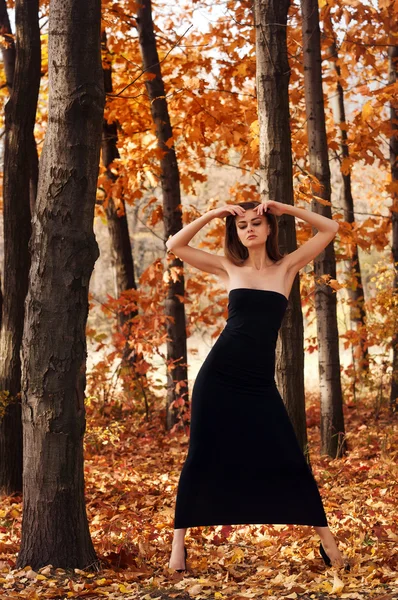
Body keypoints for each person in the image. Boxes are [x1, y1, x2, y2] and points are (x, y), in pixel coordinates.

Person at [165, 199, 350, 572]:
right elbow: (175, 245)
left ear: (268, 229)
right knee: (201, 455)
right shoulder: (228, 267)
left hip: (259, 382)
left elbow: (330, 229)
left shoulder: (287, 267)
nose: (248, 229)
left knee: (288, 455)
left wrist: (285, 208)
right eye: (242, 225)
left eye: (256, 223)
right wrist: (215, 214)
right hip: (217, 377)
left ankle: (330, 547)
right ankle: (177, 549)